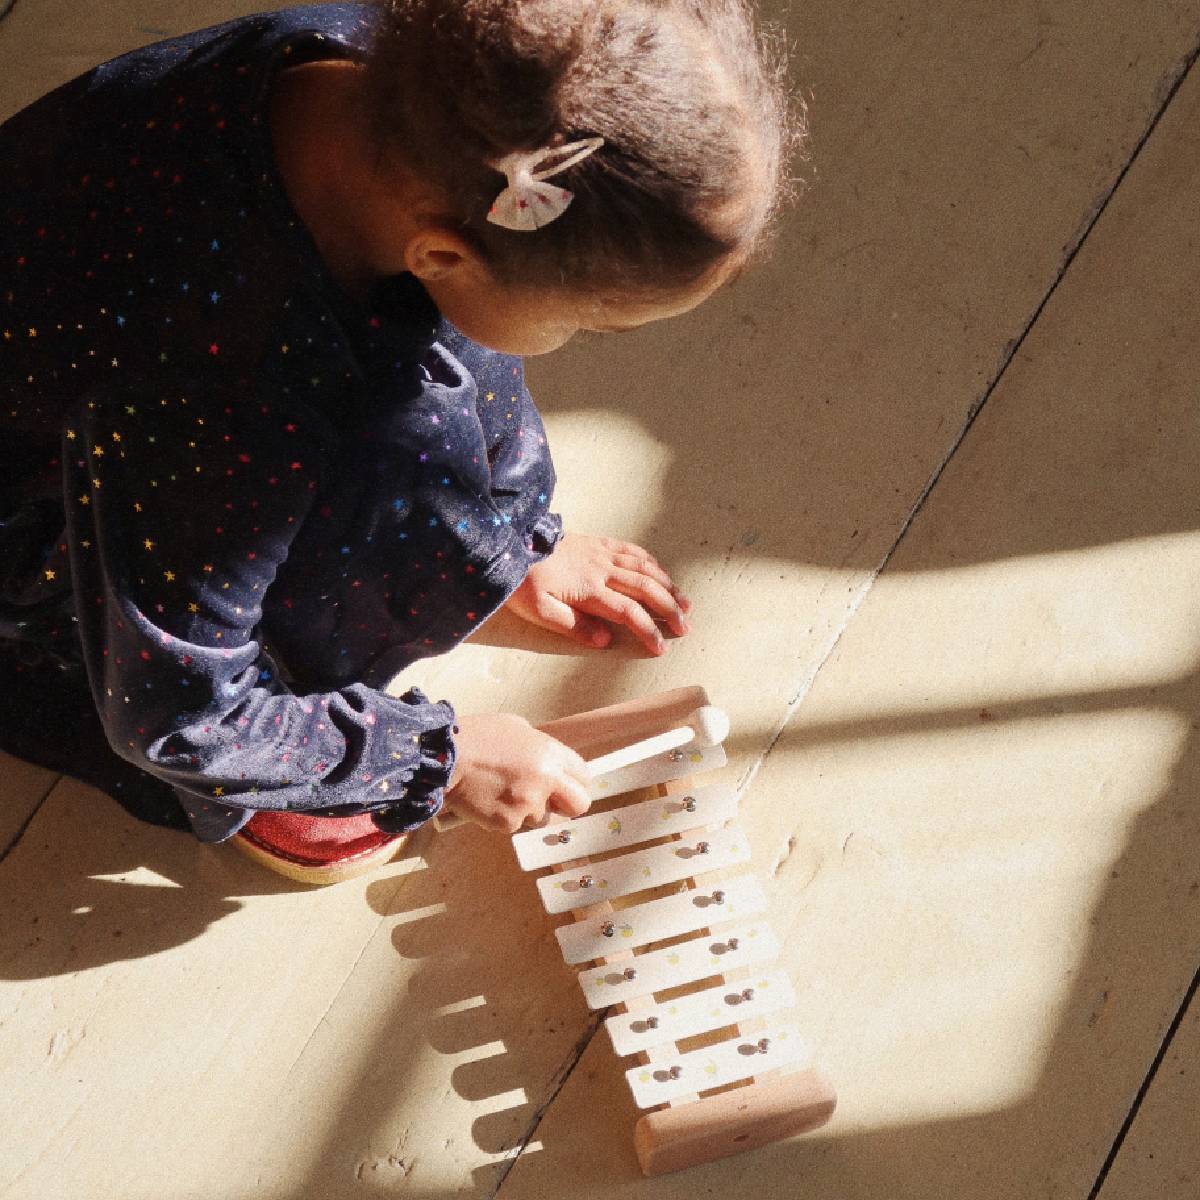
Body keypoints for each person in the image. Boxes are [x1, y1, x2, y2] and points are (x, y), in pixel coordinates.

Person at [0, 0, 797, 882]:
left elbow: (462, 342)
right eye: (589, 323)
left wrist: (506, 540)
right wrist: (431, 756)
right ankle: (278, 777)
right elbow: (174, 712)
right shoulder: (221, 399)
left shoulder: (419, 85)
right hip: (45, 505)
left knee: (436, 356)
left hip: (151, 380)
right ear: (443, 254)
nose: (581, 336)